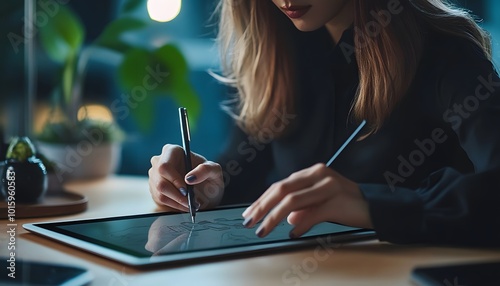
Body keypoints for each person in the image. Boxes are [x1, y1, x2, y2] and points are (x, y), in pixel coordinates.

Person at [149, 0, 500, 246]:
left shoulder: (446, 54)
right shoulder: (279, 46)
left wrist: (371, 205)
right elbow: (248, 166)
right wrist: (208, 184)